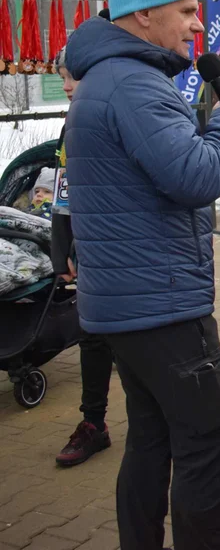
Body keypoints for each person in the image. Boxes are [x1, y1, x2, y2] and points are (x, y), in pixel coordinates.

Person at [64, 0, 220, 550]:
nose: (198, 26)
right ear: (143, 15)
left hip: (127, 304)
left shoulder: (110, 78)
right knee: (206, 438)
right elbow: (195, 176)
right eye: (185, 12)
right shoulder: (134, 85)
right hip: (163, 305)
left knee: (152, 435)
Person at [51, 47, 113, 468]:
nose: (68, 86)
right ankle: (94, 423)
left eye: (73, 76)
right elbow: (62, 195)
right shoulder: (68, 127)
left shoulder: (115, 113)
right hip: (87, 252)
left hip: (126, 252)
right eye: (62, 78)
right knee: (92, 336)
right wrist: (62, 249)